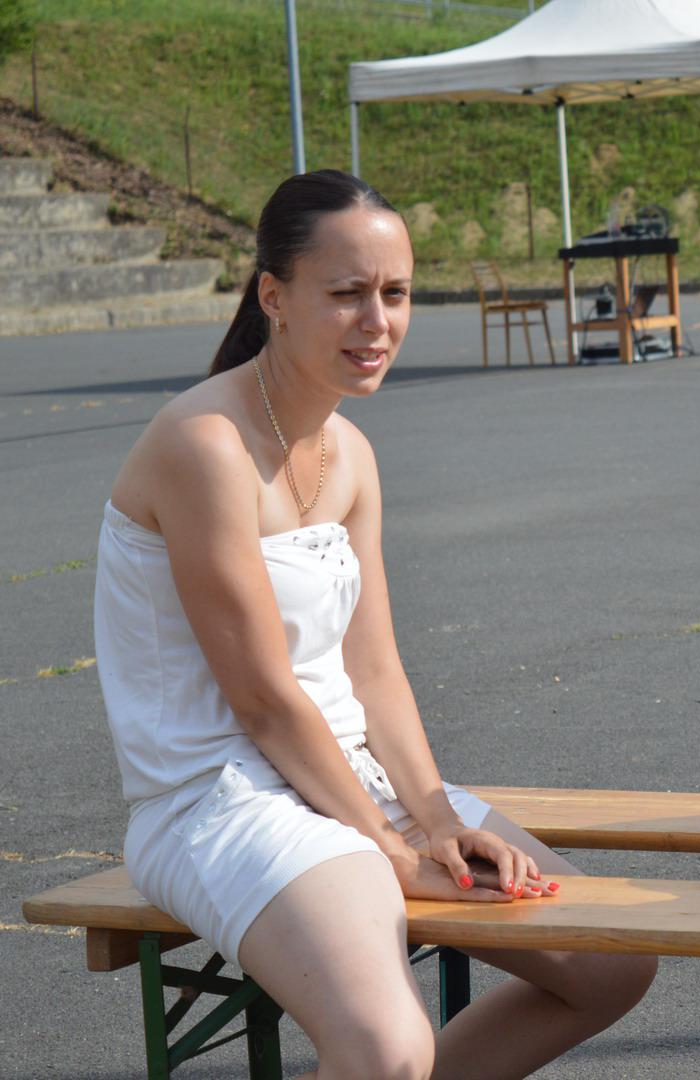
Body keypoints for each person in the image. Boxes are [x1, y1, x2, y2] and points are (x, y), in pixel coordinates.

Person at [94, 170, 654, 1080]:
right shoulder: (203, 445)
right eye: (347, 293)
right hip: (220, 801)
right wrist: (393, 850)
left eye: (396, 293)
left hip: (348, 782)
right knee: (386, 1048)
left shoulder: (349, 452)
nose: (378, 321)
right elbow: (264, 698)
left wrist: (435, 819)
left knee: (611, 965)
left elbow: (375, 667)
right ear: (273, 297)